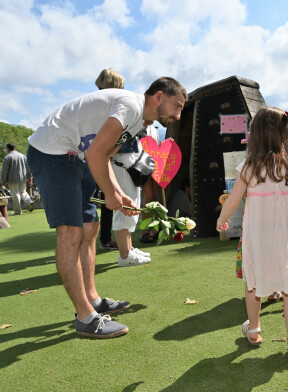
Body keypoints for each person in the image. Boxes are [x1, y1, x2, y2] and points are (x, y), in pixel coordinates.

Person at [27, 76, 187, 338]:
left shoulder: (139, 121)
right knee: (71, 232)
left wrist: (119, 193)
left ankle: (93, 299)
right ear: (159, 97)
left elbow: (107, 155)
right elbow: (95, 154)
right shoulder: (132, 106)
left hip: (75, 157)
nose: (179, 115)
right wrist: (111, 195)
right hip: (52, 153)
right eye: (177, 106)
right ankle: (85, 317)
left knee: (90, 227)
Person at [216, 107, 288, 361]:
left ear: (256, 134)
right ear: (284, 134)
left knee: (254, 282)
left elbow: (233, 202)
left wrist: (221, 219)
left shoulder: (248, 167)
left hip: (258, 238)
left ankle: (255, 330)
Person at [111, 125, 155, 267]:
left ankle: (129, 249)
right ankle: (125, 256)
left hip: (130, 161)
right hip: (121, 162)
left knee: (132, 207)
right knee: (125, 209)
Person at [95, 68, 125, 251]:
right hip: (99, 158)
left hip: (97, 157)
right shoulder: (109, 106)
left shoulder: (96, 103)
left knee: (102, 202)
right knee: (105, 200)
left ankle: (104, 239)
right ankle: (104, 239)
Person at [1, 142, 33, 215]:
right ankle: (30, 201)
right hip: (23, 178)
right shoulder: (23, 156)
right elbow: (28, 167)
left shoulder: (8, 157)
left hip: (12, 179)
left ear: (8, 149)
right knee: (23, 192)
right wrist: (29, 177)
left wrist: (3, 180)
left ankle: (18, 211)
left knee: (16, 194)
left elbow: (4, 170)